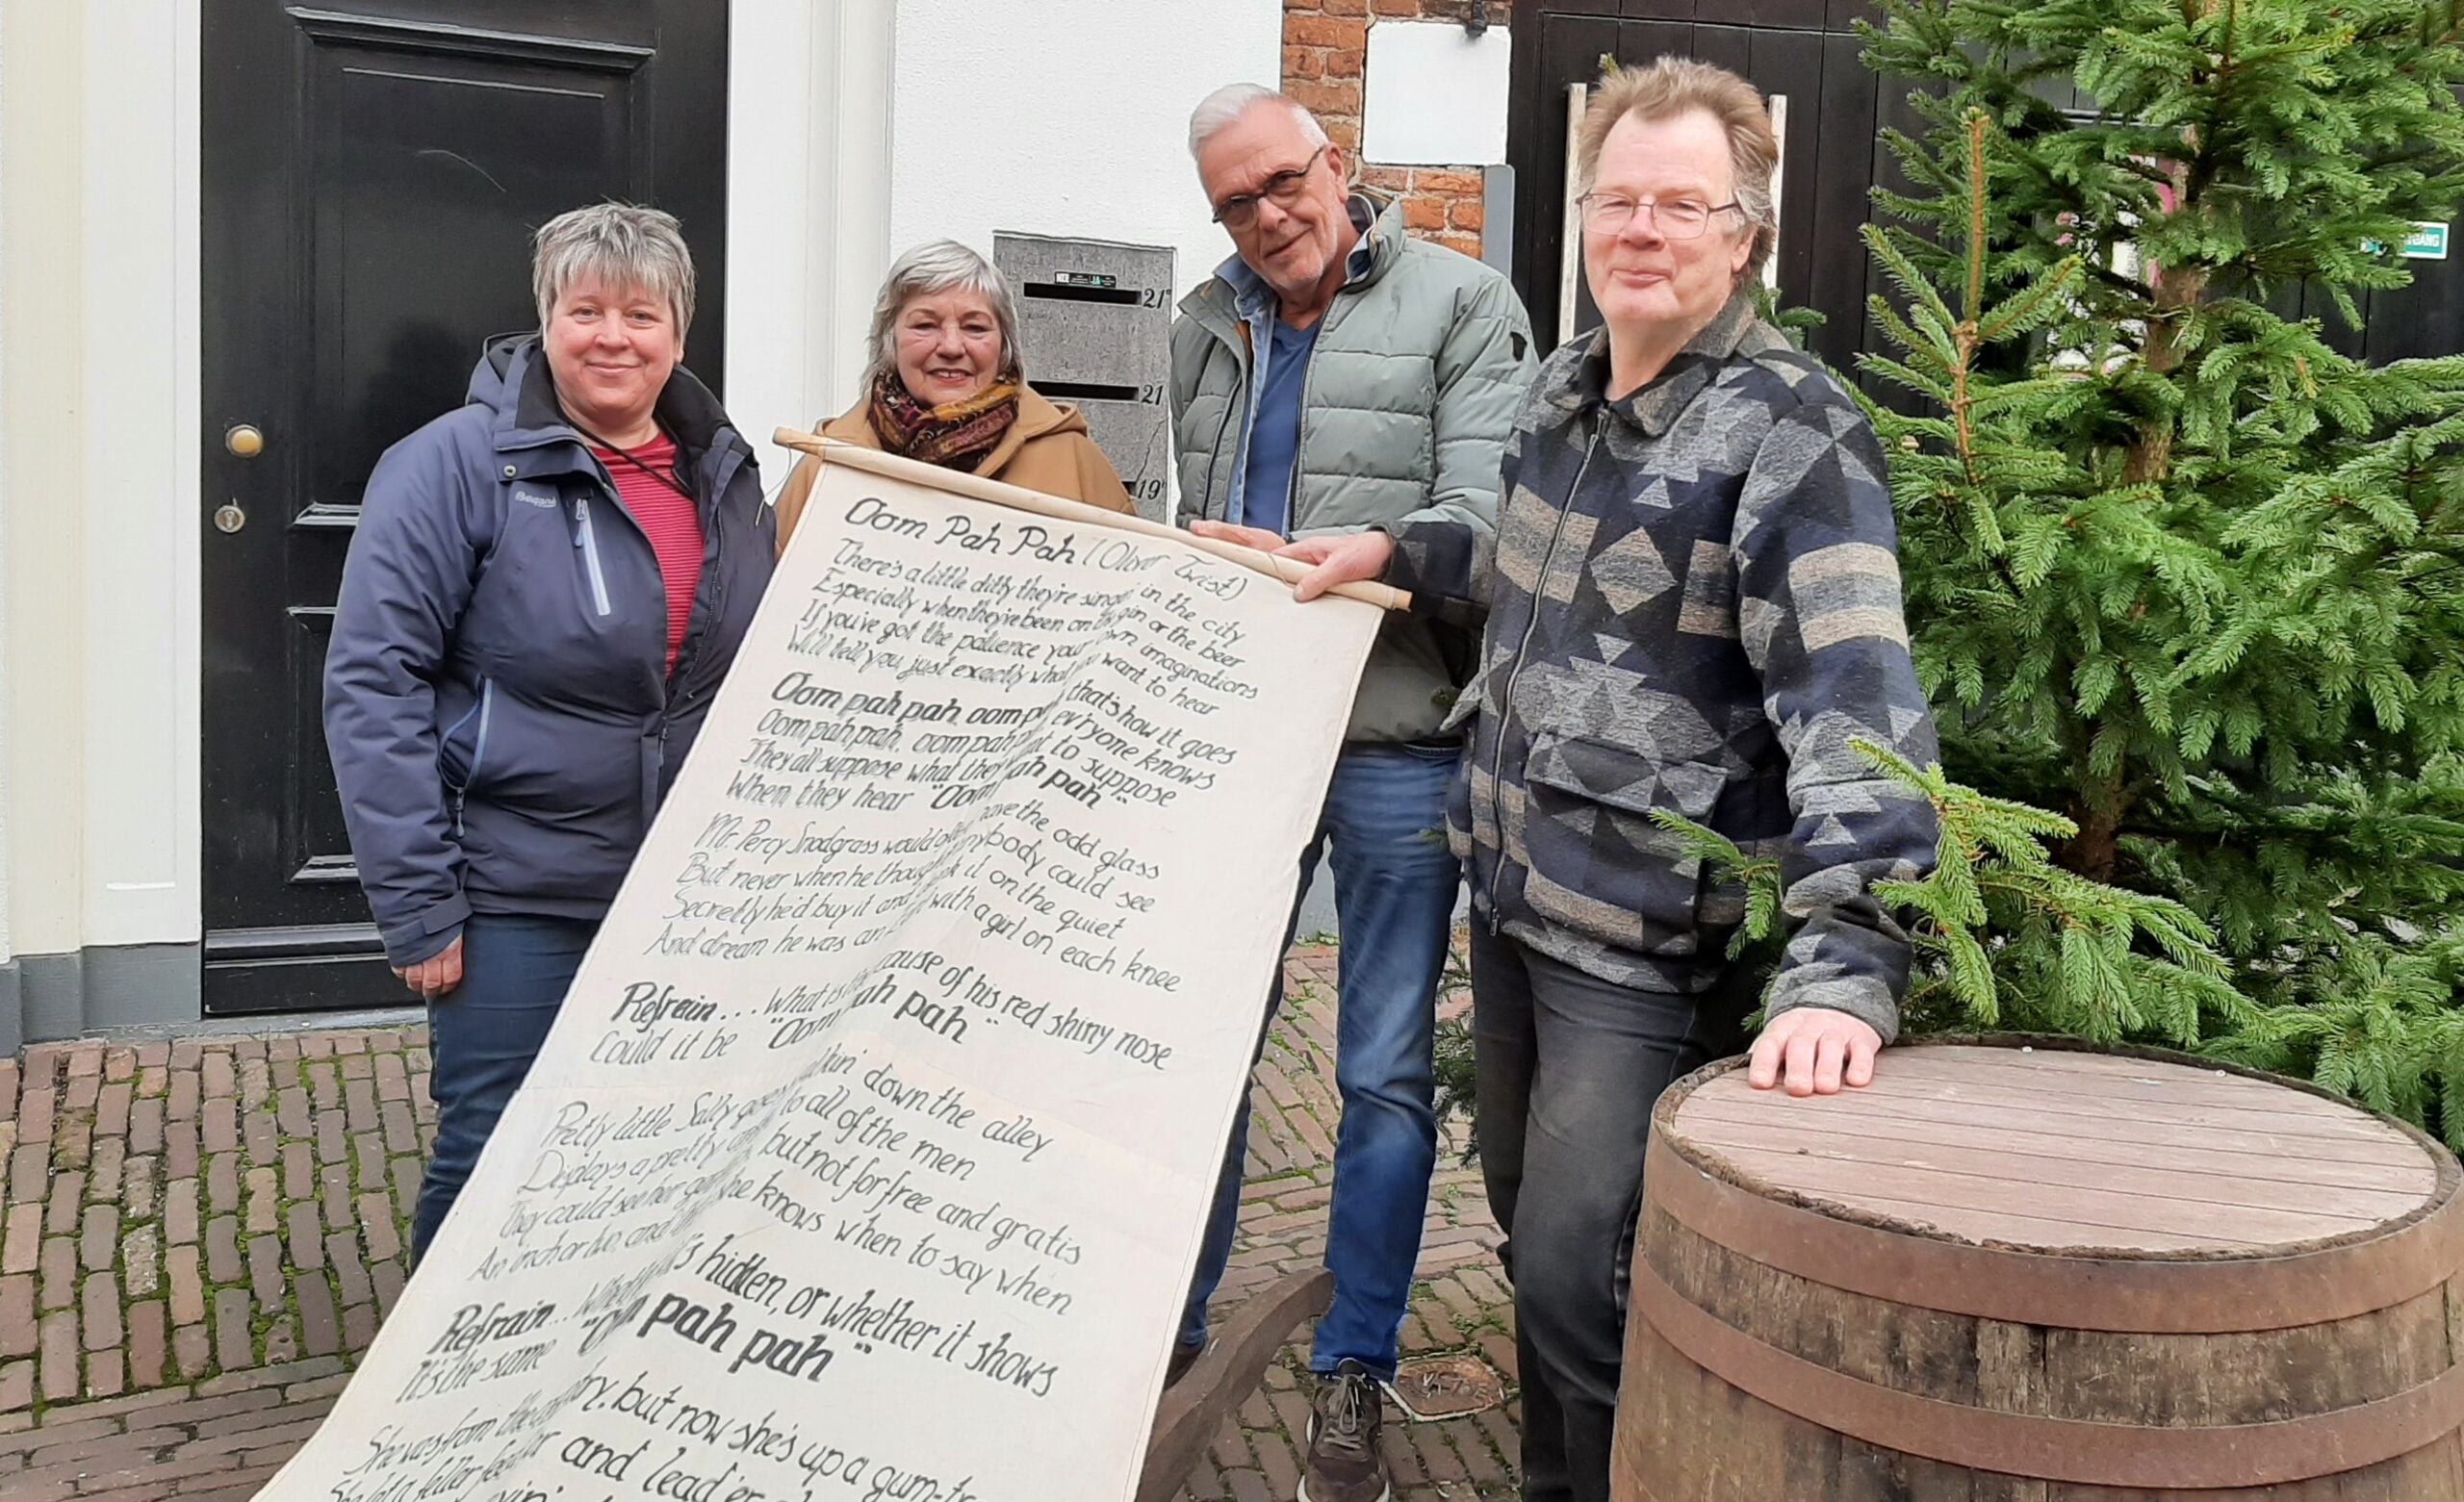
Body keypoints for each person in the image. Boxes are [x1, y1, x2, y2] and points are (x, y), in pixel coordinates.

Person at [1266, 59, 1944, 1502]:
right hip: (1514, 906)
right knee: (1536, 1249)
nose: (1639, 228)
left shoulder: (1792, 430)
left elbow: (1860, 709)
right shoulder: (1560, 396)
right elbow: (1527, 579)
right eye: (1616, 199)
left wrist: (1847, 964)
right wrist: (1392, 551)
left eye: (1679, 205)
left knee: (1589, 1275)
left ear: (1743, 236)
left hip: (1644, 948)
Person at [1170, 83, 1534, 1502]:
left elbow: (1500, 526)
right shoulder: (1203, 322)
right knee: (1198, 1045)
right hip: (1248, 740)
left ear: (1335, 163)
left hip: (1397, 737)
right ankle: (1162, 1339)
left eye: (1282, 182)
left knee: (1380, 1070)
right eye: (1235, 203)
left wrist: (1377, 548)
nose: (1267, 218)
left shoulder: (1465, 302)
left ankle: (1353, 1367)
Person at [324, 202, 775, 1261]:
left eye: (641, 314)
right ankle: (439, 1367)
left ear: (679, 331)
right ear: (546, 319)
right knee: (493, 1154)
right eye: (586, 310)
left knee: (642, 1155)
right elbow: (374, 681)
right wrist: (418, 902)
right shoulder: (453, 465)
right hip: (515, 892)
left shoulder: (724, 473)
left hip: (681, 901)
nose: (613, 336)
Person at [774, 239, 1134, 545]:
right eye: (925, 325)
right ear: (889, 341)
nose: (950, 346)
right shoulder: (828, 467)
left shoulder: (1073, 460)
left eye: (975, 328)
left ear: (1004, 346)